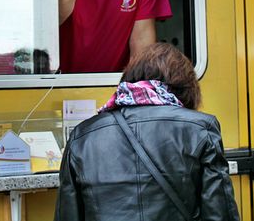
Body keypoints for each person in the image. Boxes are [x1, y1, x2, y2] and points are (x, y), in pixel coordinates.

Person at [54, 43, 240, 221]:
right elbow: (220, 214)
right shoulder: (201, 128)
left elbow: (68, 215)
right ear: (187, 87)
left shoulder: (82, 135)